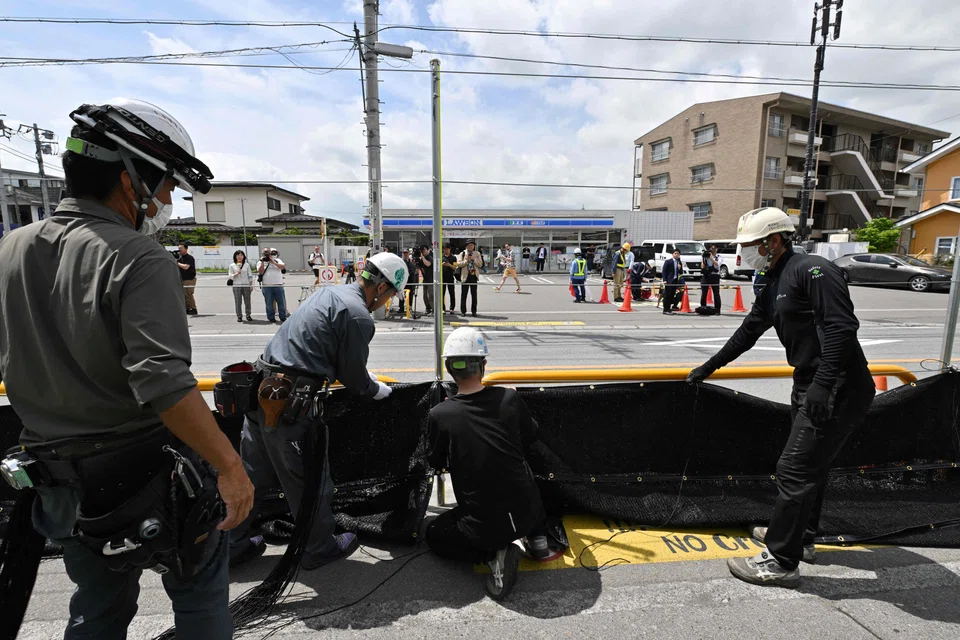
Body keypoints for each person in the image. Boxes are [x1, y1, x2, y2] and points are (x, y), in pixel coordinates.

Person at [0, 98, 253, 638]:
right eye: (164, 186)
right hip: (149, 473)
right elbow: (164, 384)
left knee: (97, 608)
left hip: (60, 483)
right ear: (127, 178)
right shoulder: (139, 256)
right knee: (201, 599)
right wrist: (230, 468)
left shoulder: (11, 249)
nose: (166, 201)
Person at [686, 207, 875, 588]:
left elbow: (841, 328)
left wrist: (823, 387)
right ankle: (801, 539)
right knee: (810, 470)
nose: (745, 252)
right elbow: (749, 330)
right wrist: (708, 367)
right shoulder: (773, 280)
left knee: (794, 469)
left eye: (751, 244)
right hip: (810, 382)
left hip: (838, 386)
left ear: (773, 241)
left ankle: (780, 560)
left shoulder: (813, 270)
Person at [229, 252, 409, 569]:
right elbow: (354, 377)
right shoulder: (358, 317)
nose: (389, 302)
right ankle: (319, 546)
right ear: (380, 287)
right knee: (309, 480)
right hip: (289, 406)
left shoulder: (330, 292)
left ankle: (233, 544)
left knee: (250, 475)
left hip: (261, 390)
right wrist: (374, 389)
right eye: (392, 295)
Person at [426, 328, 554, 601]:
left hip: (484, 527)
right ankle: (538, 538)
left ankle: (495, 553)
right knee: (520, 472)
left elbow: (434, 461)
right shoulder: (509, 398)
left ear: (449, 368)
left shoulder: (441, 414)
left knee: (435, 534)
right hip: (528, 510)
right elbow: (531, 435)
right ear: (484, 365)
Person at [258, 247, 288, 323]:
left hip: (278, 284)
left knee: (281, 302)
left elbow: (282, 267)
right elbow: (260, 272)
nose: (272, 254)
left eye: (274, 252)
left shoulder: (278, 260)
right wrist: (262, 262)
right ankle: (271, 317)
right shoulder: (261, 261)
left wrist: (273, 262)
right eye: (270, 253)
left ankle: (283, 316)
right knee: (269, 303)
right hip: (267, 285)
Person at [457, 240, 484, 317]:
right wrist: (466, 261)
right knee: (464, 295)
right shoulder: (462, 253)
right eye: (469, 245)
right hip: (465, 276)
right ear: (466, 246)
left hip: (474, 276)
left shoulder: (477, 254)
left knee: (474, 295)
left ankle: (474, 311)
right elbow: (458, 264)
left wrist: (473, 259)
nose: (470, 246)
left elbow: (480, 264)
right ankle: (463, 311)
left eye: (472, 245)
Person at [229, 249, 254, 322]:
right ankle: (239, 316)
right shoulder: (232, 265)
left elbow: (250, 275)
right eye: (238, 255)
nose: (239, 257)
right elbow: (230, 276)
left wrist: (251, 285)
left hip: (246, 285)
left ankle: (248, 315)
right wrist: (236, 273)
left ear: (243, 256)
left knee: (247, 301)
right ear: (235, 256)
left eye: (241, 255)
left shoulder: (247, 265)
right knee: (238, 301)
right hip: (236, 285)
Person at [177, 242, 198, 314]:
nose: (180, 250)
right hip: (182, 279)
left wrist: (177, 263)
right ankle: (187, 308)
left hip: (189, 279)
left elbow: (186, 267)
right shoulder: (180, 257)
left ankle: (193, 308)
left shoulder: (189, 258)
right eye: (179, 248)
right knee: (183, 295)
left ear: (186, 249)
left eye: (181, 248)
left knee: (188, 294)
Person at [661, 249, 684, 314]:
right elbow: (664, 271)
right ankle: (665, 309)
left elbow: (681, 272)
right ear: (672, 254)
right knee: (667, 295)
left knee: (672, 295)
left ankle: (669, 308)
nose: (676, 255)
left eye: (678, 254)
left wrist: (679, 268)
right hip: (669, 280)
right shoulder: (668, 262)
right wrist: (664, 280)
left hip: (675, 281)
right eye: (675, 253)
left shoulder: (679, 262)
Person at [700, 244, 722, 313]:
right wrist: (704, 258)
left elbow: (717, 264)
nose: (713, 250)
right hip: (706, 275)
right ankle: (703, 308)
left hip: (715, 276)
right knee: (704, 293)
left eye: (714, 248)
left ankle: (717, 310)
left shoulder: (719, 257)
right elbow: (702, 267)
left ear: (717, 249)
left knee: (716, 294)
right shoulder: (706, 256)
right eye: (711, 248)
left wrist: (711, 258)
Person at [398, 248, 418, 315]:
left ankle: (409, 307)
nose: (405, 254)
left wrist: (416, 282)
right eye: (404, 253)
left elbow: (415, 272)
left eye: (406, 253)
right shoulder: (400, 262)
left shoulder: (411, 262)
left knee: (410, 294)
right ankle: (401, 308)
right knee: (401, 295)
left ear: (409, 253)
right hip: (403, 281)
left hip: (410, 281)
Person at [442, 244, 458, 314]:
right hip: (442, 277)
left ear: (450, 249)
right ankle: (443, 308)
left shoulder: (453, 257)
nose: (446, 251)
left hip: (450, 277)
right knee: (442, 293)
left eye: (447, 249)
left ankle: (452, 308)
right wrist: (442, 264)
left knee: (452, 293)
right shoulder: (441, 257)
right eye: (444, 249)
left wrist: (449, 265)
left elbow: (455, 268)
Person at [419, 246, 435, 315]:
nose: (423, 251)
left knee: (430, 295)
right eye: (421, 250)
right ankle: (428, 308)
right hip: (425, 279)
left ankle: (433, 309)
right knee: (425, 295)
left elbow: (428, 264)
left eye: (424, 249)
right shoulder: (421, 259)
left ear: (427, 250)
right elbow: (418, 267)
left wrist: (422, 257)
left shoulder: (429, 257)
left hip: (430, 279)